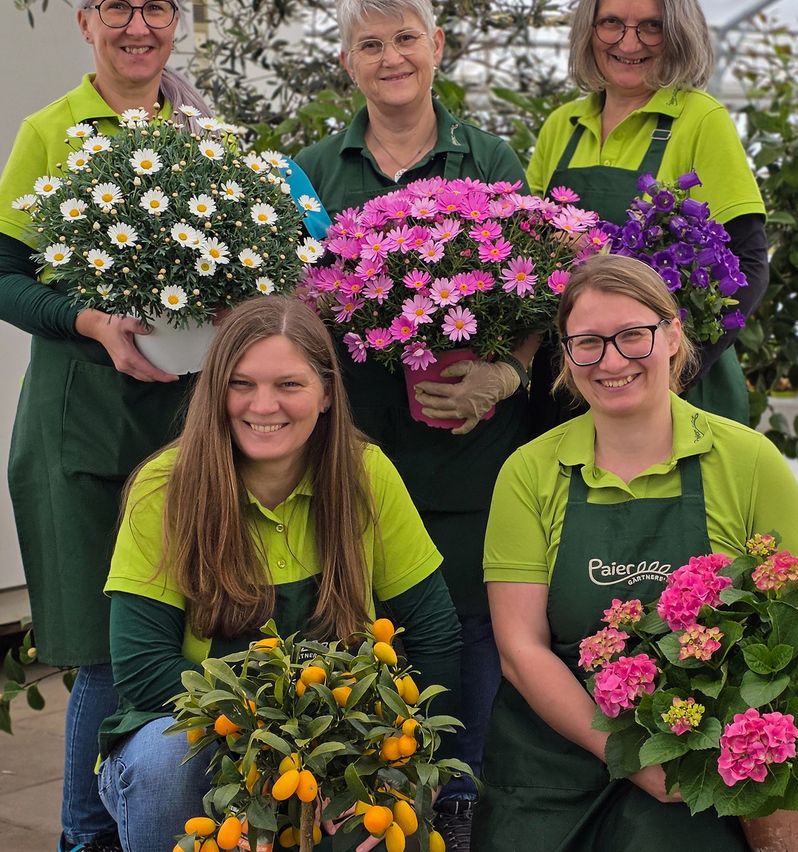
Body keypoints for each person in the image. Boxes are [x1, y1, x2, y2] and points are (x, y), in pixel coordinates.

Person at [470, 254, 798, 851]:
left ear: (674, 333)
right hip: (554, 754)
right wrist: (628, 755)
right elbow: (521, 650)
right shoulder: (529, 472)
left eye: (633, 335)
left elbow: (795, 635)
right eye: (589, 343)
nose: (612, 361)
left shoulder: (750, 462)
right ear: (566, 353)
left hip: (699, 758)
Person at [295, 3, 537, 847]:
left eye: (407, 38)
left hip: (467, 462)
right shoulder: (314, 172)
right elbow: (287, 311)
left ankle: (459, 818)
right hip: (351, 456)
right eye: (371, 44)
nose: (392, 57)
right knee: (356, 633)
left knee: (469, 642)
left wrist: (505, 371)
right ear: (347, 62)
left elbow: (543, 287)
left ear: (437, 47)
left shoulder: (490, 158)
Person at [95, 296, 461, 851]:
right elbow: (143, 669)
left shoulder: (366, 474)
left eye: (289, 384)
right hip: (200, 735)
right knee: (166, 764)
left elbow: (434, 631)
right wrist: (270, 748)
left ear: (327, 393)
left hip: (338, 736)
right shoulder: (164, 488)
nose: (263, 405)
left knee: (382, 825)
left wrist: (412, 767)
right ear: (214, 391)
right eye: (241, 383)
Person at [0, 3, 213, 850]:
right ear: (85, 20)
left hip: (183, 417)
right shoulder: (50, 131)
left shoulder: (200, 126)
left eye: (155, 6)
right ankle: (86, 841)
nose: (138, 24)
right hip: (79, 425)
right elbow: (4, 274)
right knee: (102, 650)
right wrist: (90, 321)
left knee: (175, 635)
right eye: (117, 6)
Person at [527, 0, 769, 429]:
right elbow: (527, 250)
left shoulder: (701, 119)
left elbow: (748, 264)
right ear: (589, 29)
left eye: (651, 27)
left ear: (677, 33)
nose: (628, 41)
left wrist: (671, 376)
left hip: (674, 392)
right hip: (574, 379)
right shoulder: (562, 126)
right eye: (612, 23)